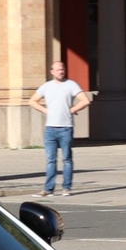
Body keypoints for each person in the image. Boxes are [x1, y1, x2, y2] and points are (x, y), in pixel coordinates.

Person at [31, 64, 93, 195]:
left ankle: (66, 187)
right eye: (58, 70)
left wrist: (72, 110)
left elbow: (85, 100)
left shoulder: (71, 85)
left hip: (66, 127)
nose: (61, 72)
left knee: (67, 159)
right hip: (50, 128)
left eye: (63, 69)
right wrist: (45, 110)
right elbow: (32, 101)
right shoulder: (47, 86)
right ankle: (48, 189)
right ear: (52, 71)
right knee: (50, 160)